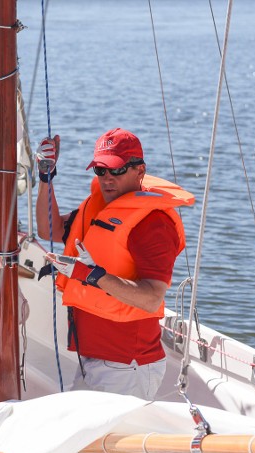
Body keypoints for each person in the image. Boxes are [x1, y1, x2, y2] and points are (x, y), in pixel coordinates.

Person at [37, 129, 194, 398]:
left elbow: (151, 299)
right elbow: (47, 229)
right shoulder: (99, 207)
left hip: (127, 365)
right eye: (100, 170)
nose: (107, 179)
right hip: (94, 360)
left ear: (139, 170)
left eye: (116, 170)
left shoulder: (153, 224)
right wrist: (45, 178)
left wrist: (91, 275)